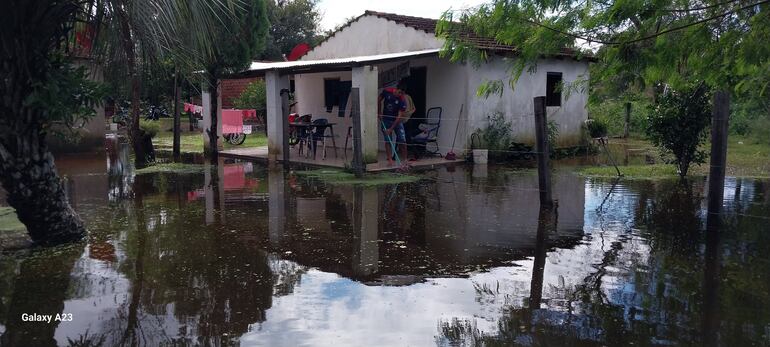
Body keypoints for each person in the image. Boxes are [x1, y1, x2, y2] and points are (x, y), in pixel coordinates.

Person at [378, 80, 409, 166]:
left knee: (402, 140)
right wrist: (379, 112)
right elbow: (379, 99)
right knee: (388, 140)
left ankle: (405, 160)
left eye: (402, 93)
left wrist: (391, 129)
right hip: (386, 120)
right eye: (399, 92)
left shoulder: (402, 100)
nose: (400, 95)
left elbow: (399, 117)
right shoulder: (387, 91)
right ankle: (390, 160)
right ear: (396, 89)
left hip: (397, 121)